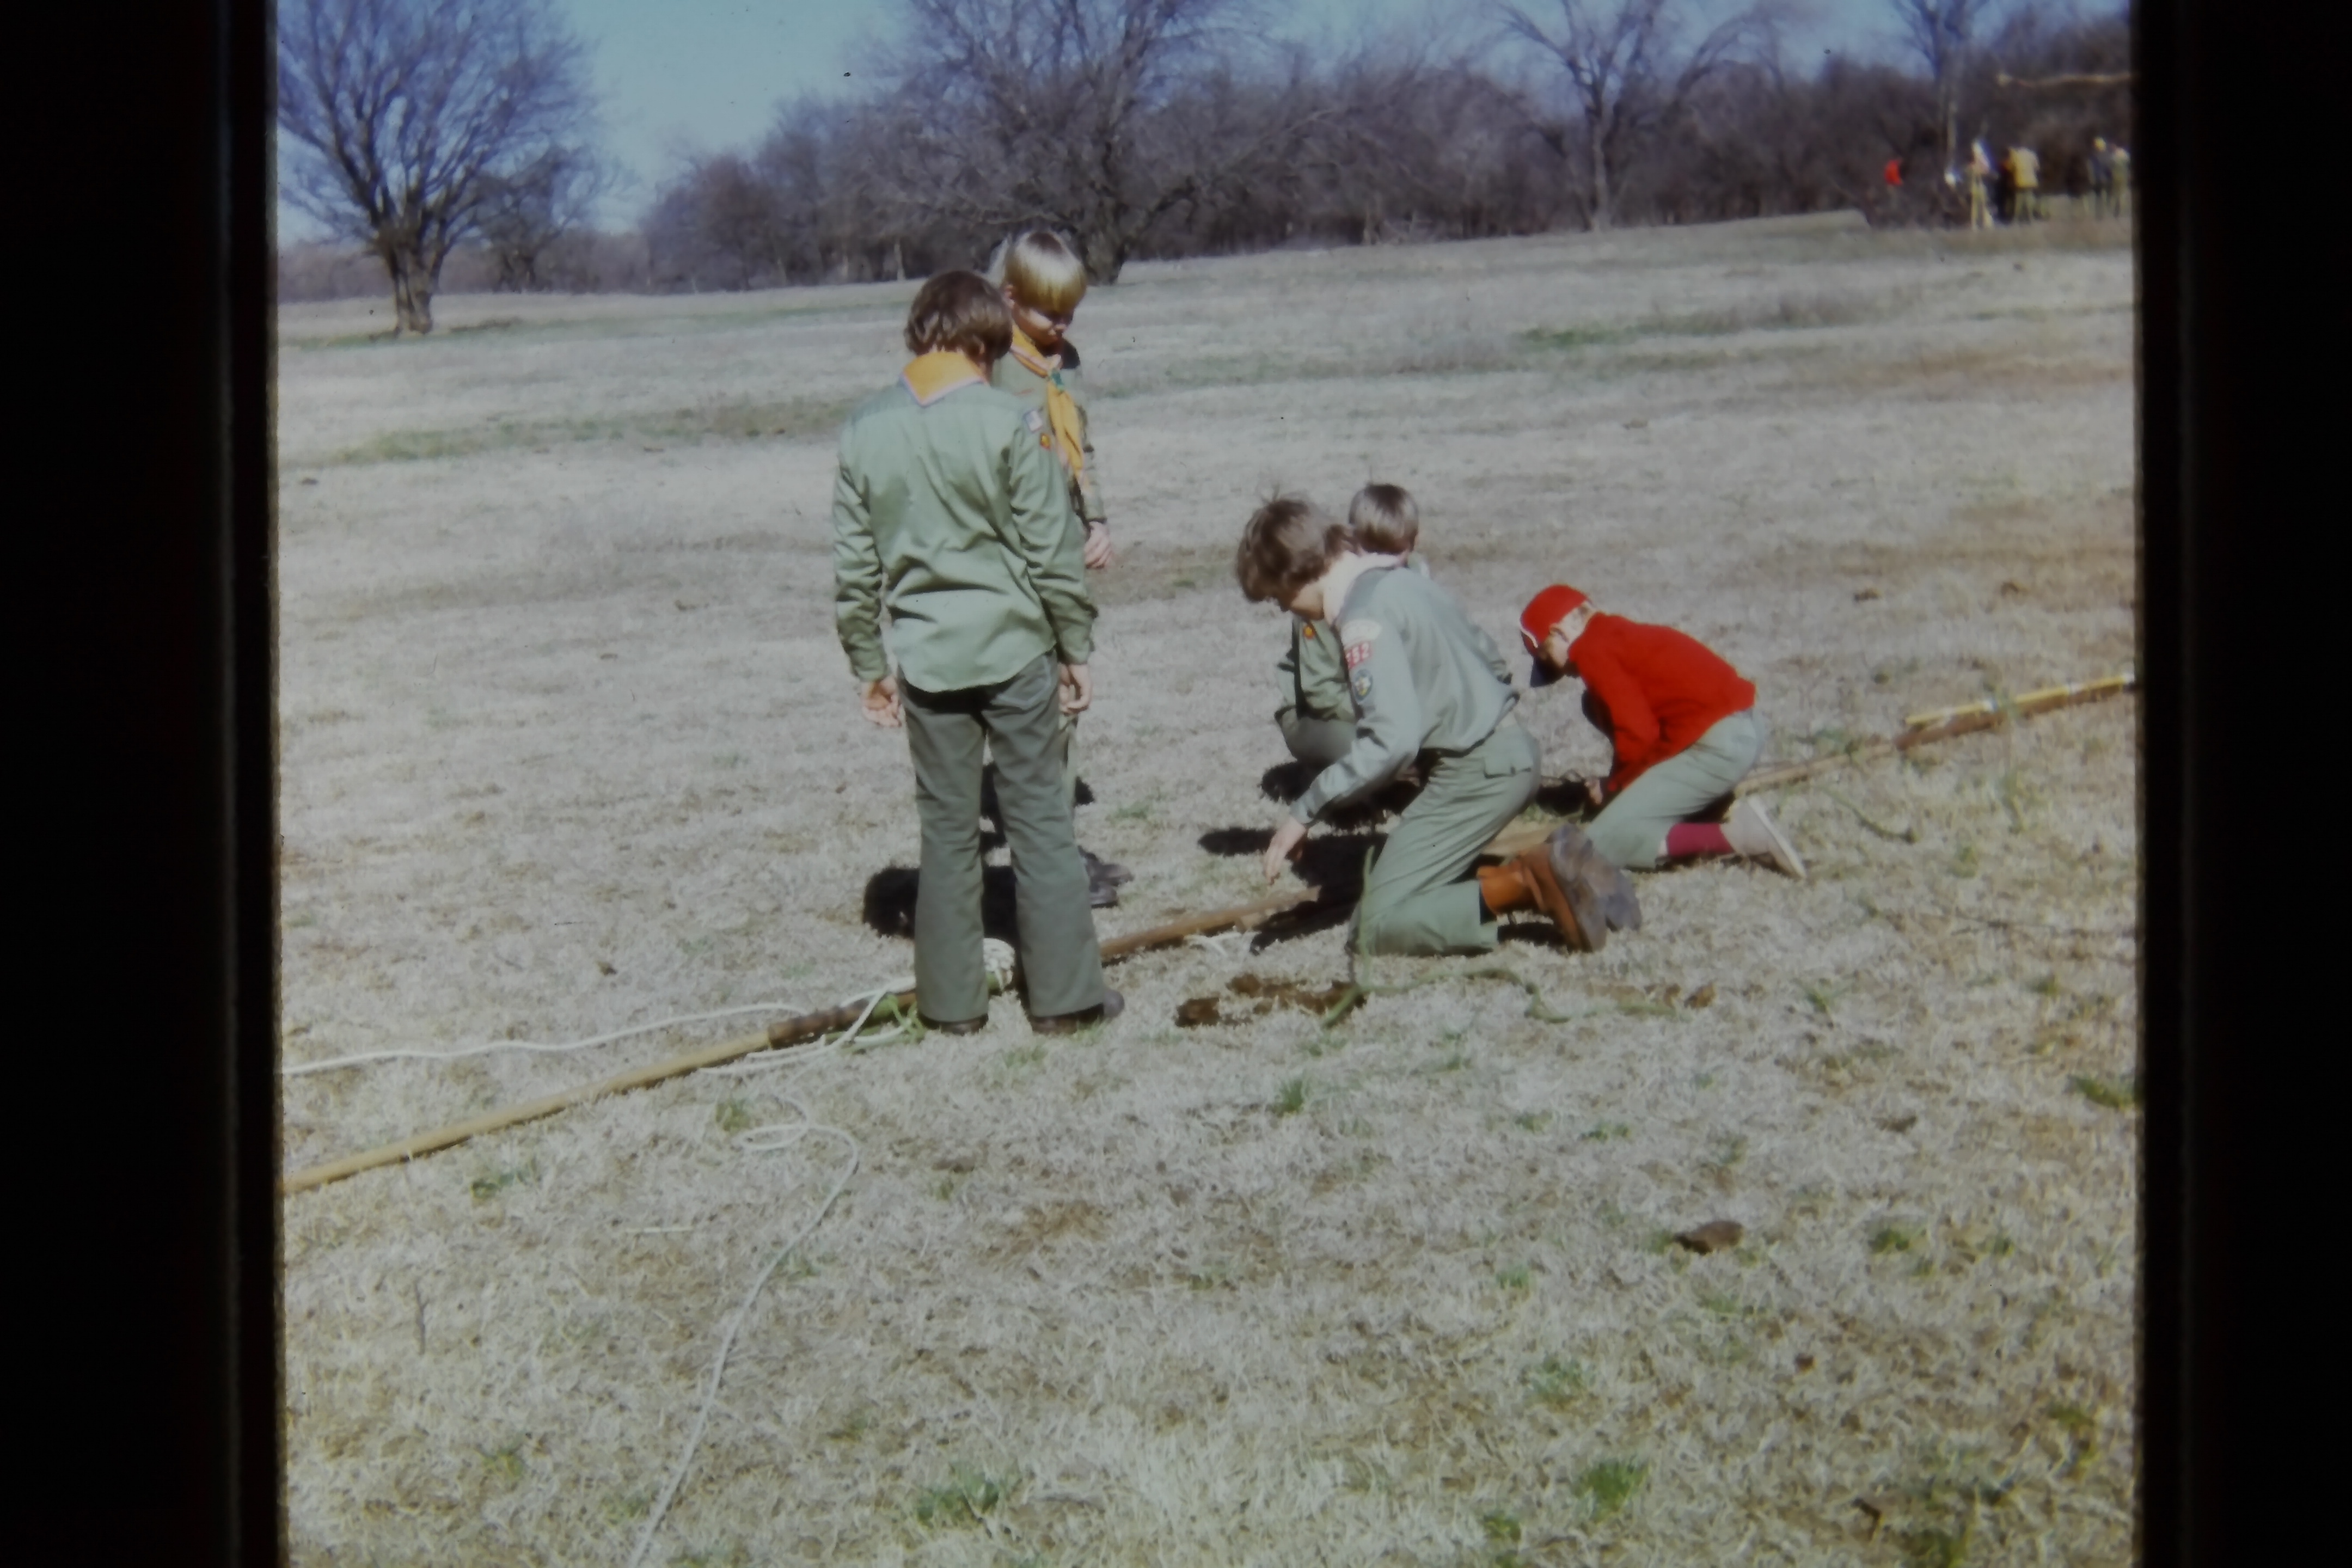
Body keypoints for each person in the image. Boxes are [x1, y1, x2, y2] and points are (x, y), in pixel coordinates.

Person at [832, 270, 1122, 1035]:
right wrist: (1075, 646)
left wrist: (869, 667)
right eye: (993, 352)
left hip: (926, 666)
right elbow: (1054, 552)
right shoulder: (1008, 423)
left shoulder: (863, 430)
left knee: (948, 832)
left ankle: (952, 1006)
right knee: (1042, 827)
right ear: (976, 344)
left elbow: (854, 572)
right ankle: (1067, 1000)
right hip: (1016, 652)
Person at [1240, 497, 1638, 957]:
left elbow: (1390, 742)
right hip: (1513, 753)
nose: (1288, 609)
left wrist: (1303, 812)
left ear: (1294, 574)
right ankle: (1569, 871)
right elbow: (1491, 659)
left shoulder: (1362, 618)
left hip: (1474, 773)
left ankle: (1531, 881)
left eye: (1278, 598)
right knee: (1430, 877)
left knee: (1373, 926)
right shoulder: (1404, 581)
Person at [988, 230, 1129, 908]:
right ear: (1011, 299)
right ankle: (1045, 860)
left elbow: (1082, 448)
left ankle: (1057, 843)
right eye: (1049, 314)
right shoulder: (988, 364)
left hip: (1062, 546)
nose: (1062, 327)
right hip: (1017, 557)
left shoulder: (1063, 360)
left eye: (1071, 313)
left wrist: (1096, 520)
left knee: (1066, 703)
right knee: (1039, 701)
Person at [1518, 584, 1806, 881]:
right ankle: (1705, 807)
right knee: (1593, 703)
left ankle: (1739, 836)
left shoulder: (1591, 651)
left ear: (1558, 634)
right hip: (1744, 728)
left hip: (1718, 746)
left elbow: (1639, 735)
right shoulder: (1615, 633)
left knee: (1601, 844)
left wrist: (1613, 787)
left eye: (1545, 655)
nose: (1561, 671)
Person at [1275, 483, 1426, 773]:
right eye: (1371, 550)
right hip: (1322, 715)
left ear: (1413, 542)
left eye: (1395, 551)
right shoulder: (1323, 592)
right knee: (1373, 749)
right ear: (1350, 539)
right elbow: (1321, 691)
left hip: (1392, 706)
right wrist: (1385, 714)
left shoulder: (1416, 578)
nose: (1382, 561)